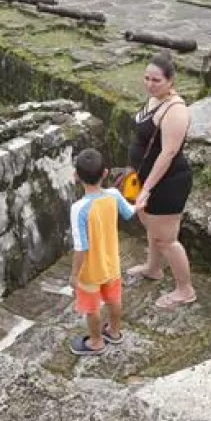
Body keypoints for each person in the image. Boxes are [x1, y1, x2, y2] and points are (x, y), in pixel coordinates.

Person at [126, 52, 196, 309]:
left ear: (170, 81)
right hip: (146, 178)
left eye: (156, 80)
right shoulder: (154, 100)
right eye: (146, 78)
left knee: (167, 238)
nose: (150, 84)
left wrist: (147, 189)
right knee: (152, 229)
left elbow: (168, 154)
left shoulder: (176, 111)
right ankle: (153, 268)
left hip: (167, 183)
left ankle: (185, 289)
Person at [68, 148, 137, 356]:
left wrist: (74, 275)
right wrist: (142, 200)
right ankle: (114, 332)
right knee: (114, 298)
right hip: (112, 262)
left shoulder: (78, 208)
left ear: (76, 175)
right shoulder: (114, 195)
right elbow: (130, 212)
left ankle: (96, 341)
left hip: (90, 270)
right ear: (105, 173)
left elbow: (81, 247)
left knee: (92, 307)